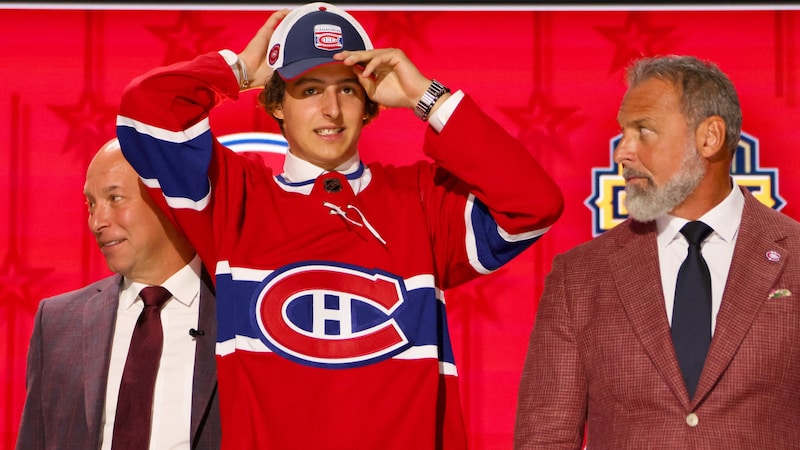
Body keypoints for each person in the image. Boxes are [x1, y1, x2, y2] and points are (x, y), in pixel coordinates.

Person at [116, 2, 563, 449]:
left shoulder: (424, 200)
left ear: (369, 104)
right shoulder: (234, 198)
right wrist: (236, 70)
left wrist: (427, 97)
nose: (331, 109)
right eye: (309, 90)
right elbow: (145, 111)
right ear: (275, 104)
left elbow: (534, 204)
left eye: (347, 91)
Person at [514, 54, 800, 449]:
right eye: (623, 133)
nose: (622, 153)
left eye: (643, 131)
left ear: (709, 137)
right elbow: (545, 438)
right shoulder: (579, 276)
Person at [16, 139, 220, 450]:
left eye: (115, 198)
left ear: (169, 199)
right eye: (91, 204)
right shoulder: (57, 322)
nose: (97, 222)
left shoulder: (244, 315)